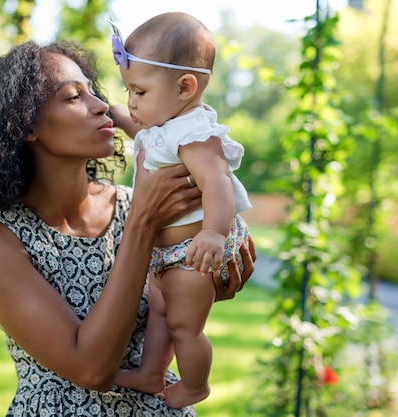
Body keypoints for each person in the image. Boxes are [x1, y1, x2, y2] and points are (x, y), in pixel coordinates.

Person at [0, 39, 256, 416]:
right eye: (73, 97)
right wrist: (141, 225)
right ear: (25, 125)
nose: (102, 105)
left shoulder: (132, 202)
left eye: (93, 90)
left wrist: (210, 275)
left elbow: (208, 222)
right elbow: (92, 369)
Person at [109, 12, 253, 409]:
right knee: (159, 313)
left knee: (184, 327)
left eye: (139, 92)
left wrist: (213, 234)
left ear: (185, 88)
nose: (130, 102)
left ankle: (195, 385)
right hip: (165, 256)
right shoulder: (164, 127)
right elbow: (148, 141)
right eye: (128, 92)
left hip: (194, 252)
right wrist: (122, 119)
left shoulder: (194, 134)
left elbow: (217, 184)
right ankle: (151, 372)